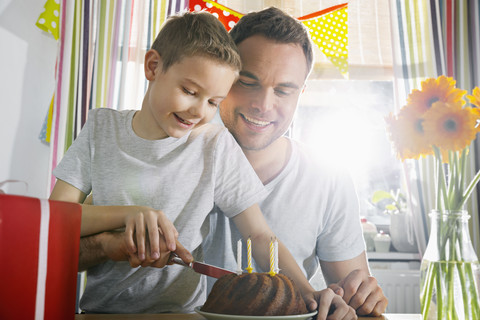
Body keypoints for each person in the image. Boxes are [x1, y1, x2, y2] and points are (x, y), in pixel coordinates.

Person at [49, 11, 355, 318]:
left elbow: (260, 236)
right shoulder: (102, 128)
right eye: (190, 92)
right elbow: (53, 221)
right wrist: (132, 215)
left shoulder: (214, 146)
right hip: (100, 313)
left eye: (213, 102)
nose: (198, 111)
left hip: (182, 314)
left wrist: (308, 292)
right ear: (153, 66)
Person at [202, 7, 388, 316]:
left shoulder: (329, 179)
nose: (263, 105)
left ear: (301, 93)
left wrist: (364, 302)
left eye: (284, 90)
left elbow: (352, 303)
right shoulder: (173, 153)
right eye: (248, 82)